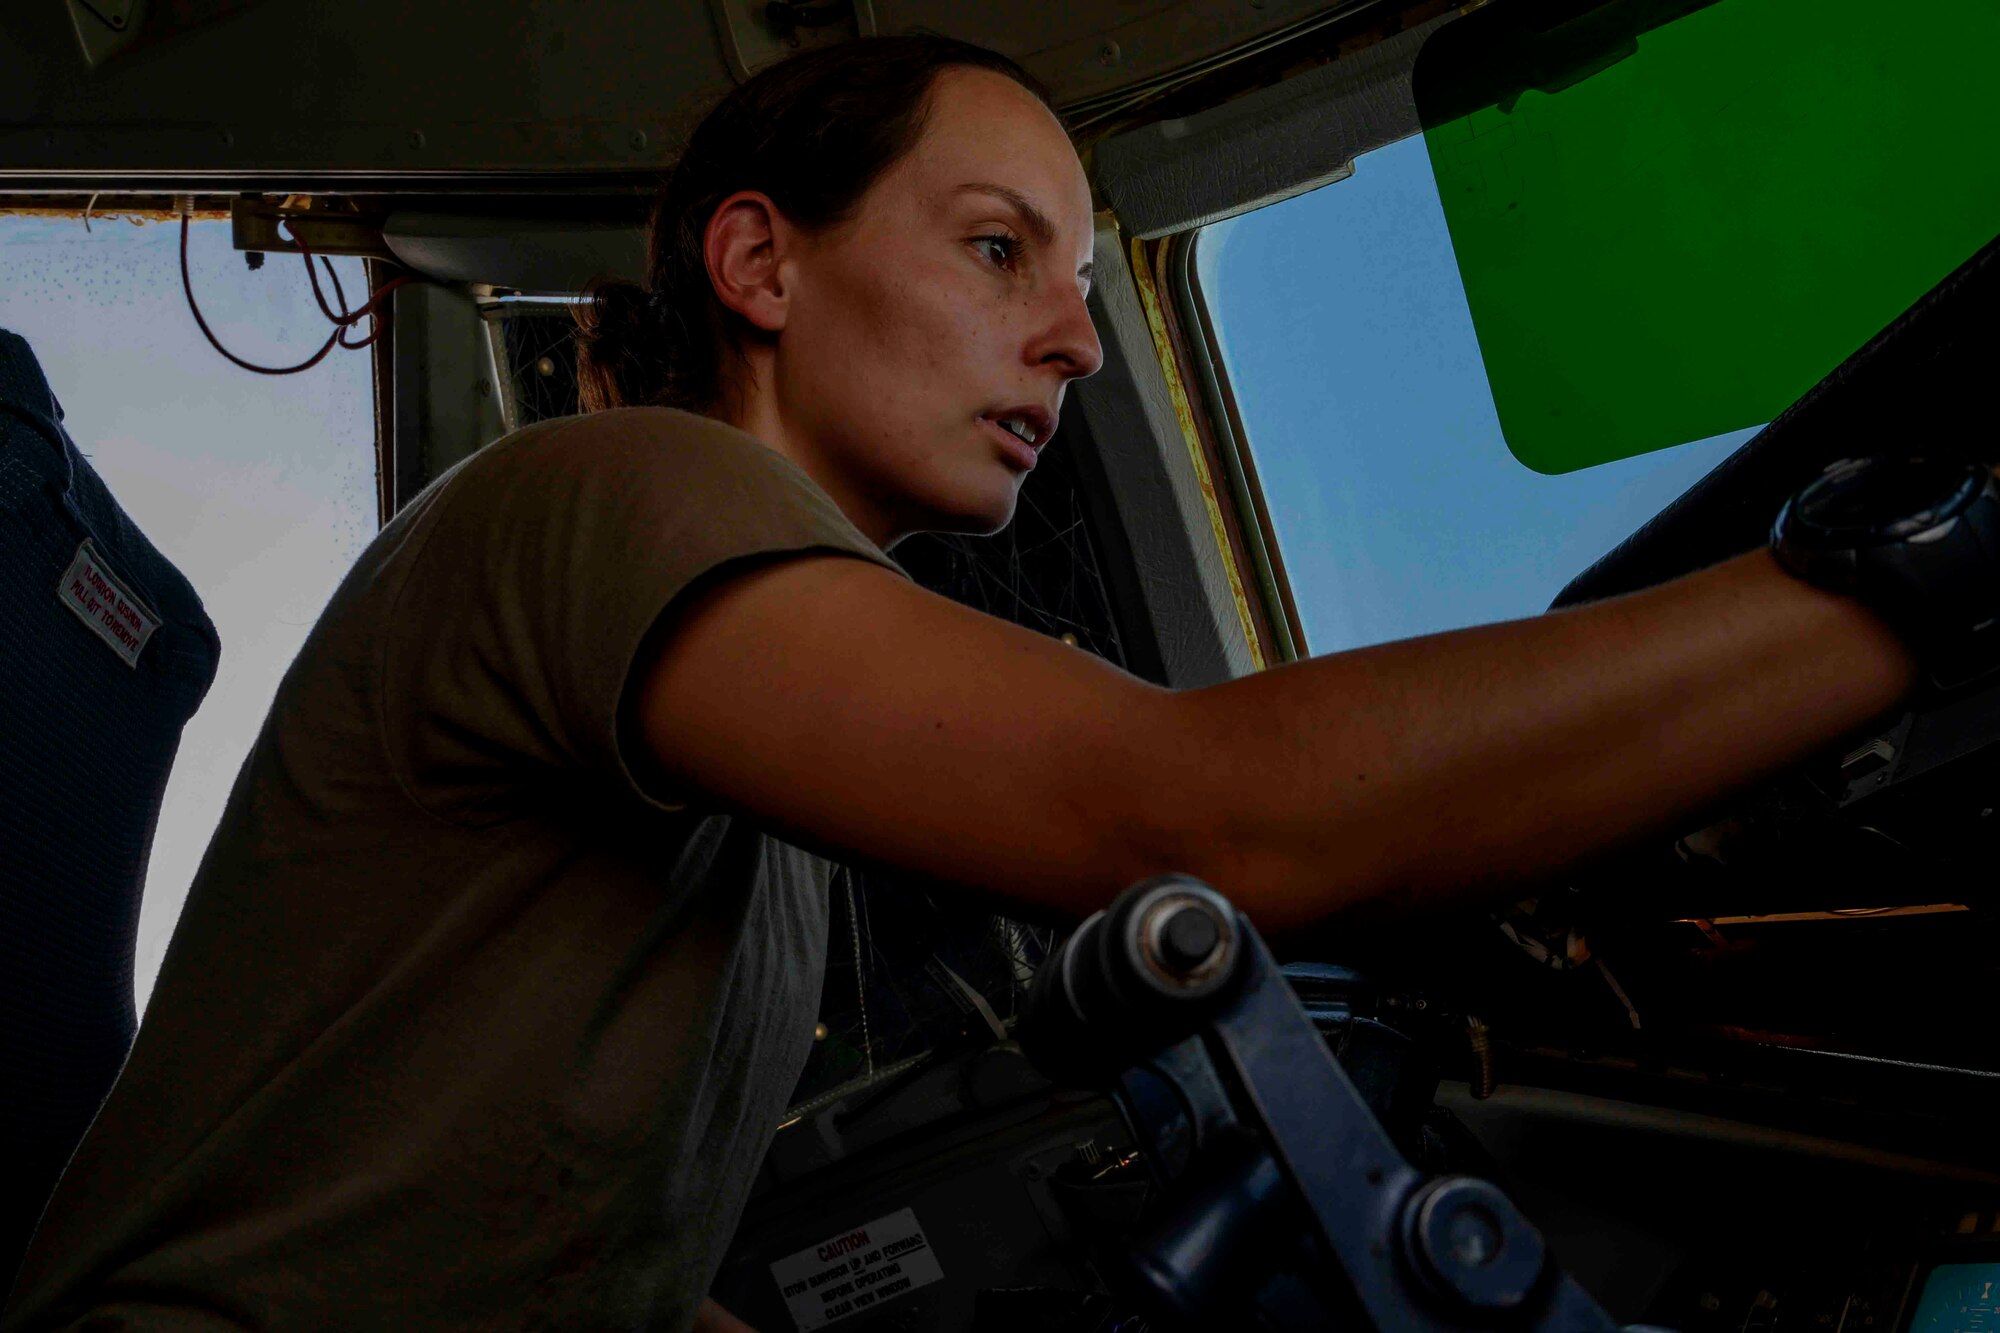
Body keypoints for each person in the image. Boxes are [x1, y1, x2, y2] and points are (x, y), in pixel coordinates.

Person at [1, 32, 1939, 1333]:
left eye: (1083, 283)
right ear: (759, 262)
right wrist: (1914, 589)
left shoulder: (763, 786)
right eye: (999, 248)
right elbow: (1204, 809)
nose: (1074, 344)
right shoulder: (618, 486)